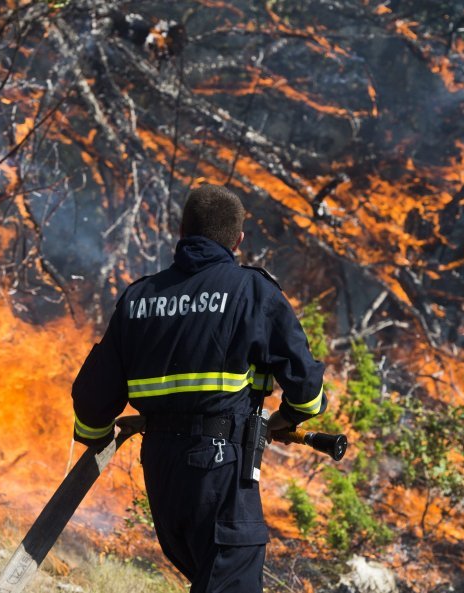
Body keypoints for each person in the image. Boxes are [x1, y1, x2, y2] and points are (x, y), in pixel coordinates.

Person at [70, 183, 326, 593]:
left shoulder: (139, 298)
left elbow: (92, 400)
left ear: (181, 231)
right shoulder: (251, 291)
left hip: (161, 472)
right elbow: (307, 389)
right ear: (238, 239)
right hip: (221, 473)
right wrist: (288, 418)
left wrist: (96, 437)